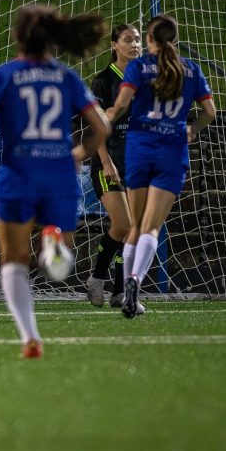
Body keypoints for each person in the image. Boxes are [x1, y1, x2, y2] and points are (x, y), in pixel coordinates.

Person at [0, 5, 110, 358]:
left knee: (14, 260)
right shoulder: (65, 77)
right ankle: (52, 241)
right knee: (59, 266)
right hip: (60, 174)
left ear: (17, 37)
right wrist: (80, 154)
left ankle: (30, 338)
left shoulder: (2, 76)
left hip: (19, 174)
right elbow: (102, 126)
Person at [106, 14, 216, 319]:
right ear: (175, 39)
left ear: (150, 41)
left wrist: (106, 120)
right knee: (153, 227)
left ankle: (127, 287)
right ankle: (135, 283)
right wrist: (193, 129)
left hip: (140, 149)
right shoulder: (191, 70)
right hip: (172, 151)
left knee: (135, 226)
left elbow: (122, 104)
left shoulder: (139, 67)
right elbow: (210, 111)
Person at [86, 24, 142, 308]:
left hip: (137, 164)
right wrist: (106, 162)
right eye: (128, 40)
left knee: (131, 229)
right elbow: (96, 127)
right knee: (124, 224)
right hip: (108, 163)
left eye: (137, 40)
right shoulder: (104, 81)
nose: (134, 44)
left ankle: (120, 291)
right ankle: (97, 279)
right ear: (114, 46)